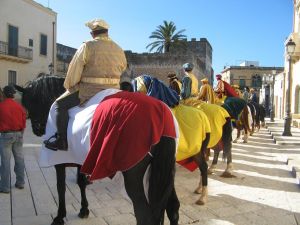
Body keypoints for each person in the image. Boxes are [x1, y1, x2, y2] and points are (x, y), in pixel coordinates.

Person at [44, 18, 127, 151]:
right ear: (107, 32)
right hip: (114, 90)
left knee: (60, 105)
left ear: (93, 33)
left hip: (90, 90)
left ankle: (61, 141)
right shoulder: (119, 49)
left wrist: (69, 85)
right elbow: (122, 67)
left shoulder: (87, 46)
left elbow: (75, 69)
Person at [0, 85, 26, 193]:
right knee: (19, 160)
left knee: (5, 162)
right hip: (19, 134)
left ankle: (5, 187)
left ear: (4, 94)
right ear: (13, 95)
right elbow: (24, 124)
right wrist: (20, 134)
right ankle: (20, 183)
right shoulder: (20, 107)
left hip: (6, 136)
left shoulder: (1, 106)